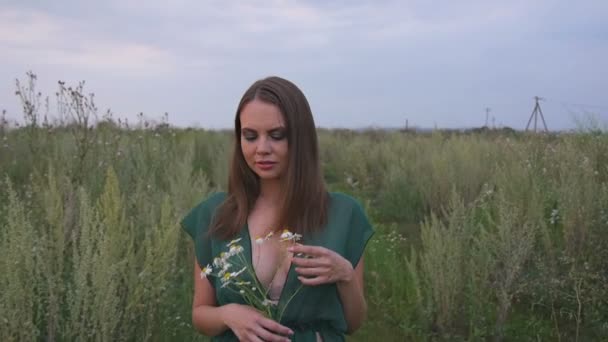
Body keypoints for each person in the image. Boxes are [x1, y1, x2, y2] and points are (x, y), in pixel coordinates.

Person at [181, 76, 374, 342]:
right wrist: (228, 314)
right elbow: (200, 314)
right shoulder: (215, 214)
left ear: (301, 138)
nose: (262, 149)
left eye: (276, 135)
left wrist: (346, 276)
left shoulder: (343, 215)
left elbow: (353, 323)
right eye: (250, 136)